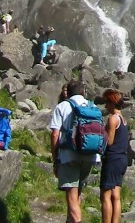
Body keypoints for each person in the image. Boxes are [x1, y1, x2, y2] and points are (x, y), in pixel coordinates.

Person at [49, 79, 100, 223]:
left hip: (69, 155)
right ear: (83, 91)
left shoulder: (62, 106)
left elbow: (54, 134)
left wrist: (55, 158)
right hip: (91, 154)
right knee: (78, 193)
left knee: (71, 195)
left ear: (67, 92)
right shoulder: (92, 106)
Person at [100, 89, 129, 223]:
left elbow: (109, 141)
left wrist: (102, 133)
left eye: (107, 102)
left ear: (112, 103)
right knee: (116, 196)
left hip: (112, 159)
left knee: (105, 196)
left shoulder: (113, 119)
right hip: (122, 159)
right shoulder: (124, 120)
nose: (105, 106)